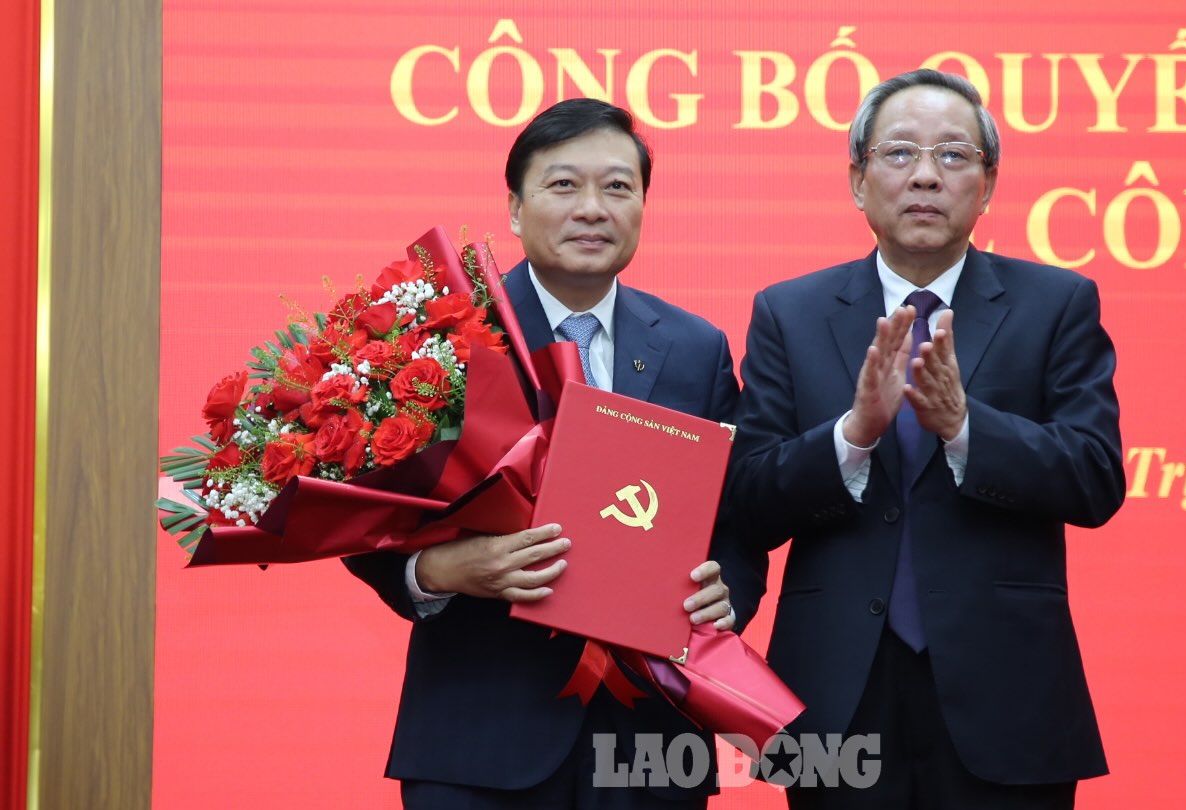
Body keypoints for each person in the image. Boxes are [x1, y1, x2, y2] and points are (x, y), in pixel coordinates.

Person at [720, 69, 1126, 808]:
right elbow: (745, 496)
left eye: (953, 156)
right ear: (857, 178)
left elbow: (1095, 477)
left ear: (988, 182)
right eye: (900, 154)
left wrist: (965, 427)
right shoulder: (789, 312)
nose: (925, 178)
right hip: (837, 693)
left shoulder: (1056, 303)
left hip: (1005, 691)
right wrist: (851, 435)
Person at [345, 98, 738, 809]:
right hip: (477, 736)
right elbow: (360, 515)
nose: (592, 207)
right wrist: (439, 570)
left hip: (646, 745)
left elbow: (731, 517)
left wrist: (723, 591)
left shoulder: (696, 349)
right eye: (563, 185)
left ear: (643, 206)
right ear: (515, 208)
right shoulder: (443, 336)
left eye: (617, 187)